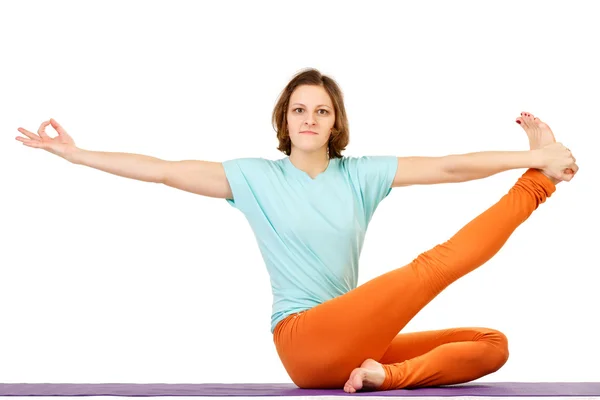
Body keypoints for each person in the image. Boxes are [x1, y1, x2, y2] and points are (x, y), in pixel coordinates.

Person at [15, 68, 577, 393]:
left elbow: (451, 166)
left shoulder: (361, 175)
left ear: (337, 123)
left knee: (491, 345)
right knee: (431, 268)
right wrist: (77, 155)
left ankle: (383, 377)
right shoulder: (253, 179)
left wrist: (513, 154)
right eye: (300, 109)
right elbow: (163, 170)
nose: (310, 118)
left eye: (323, 111)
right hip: (304, 340)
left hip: (358, 345)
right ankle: (541, 182)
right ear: (285, 119)